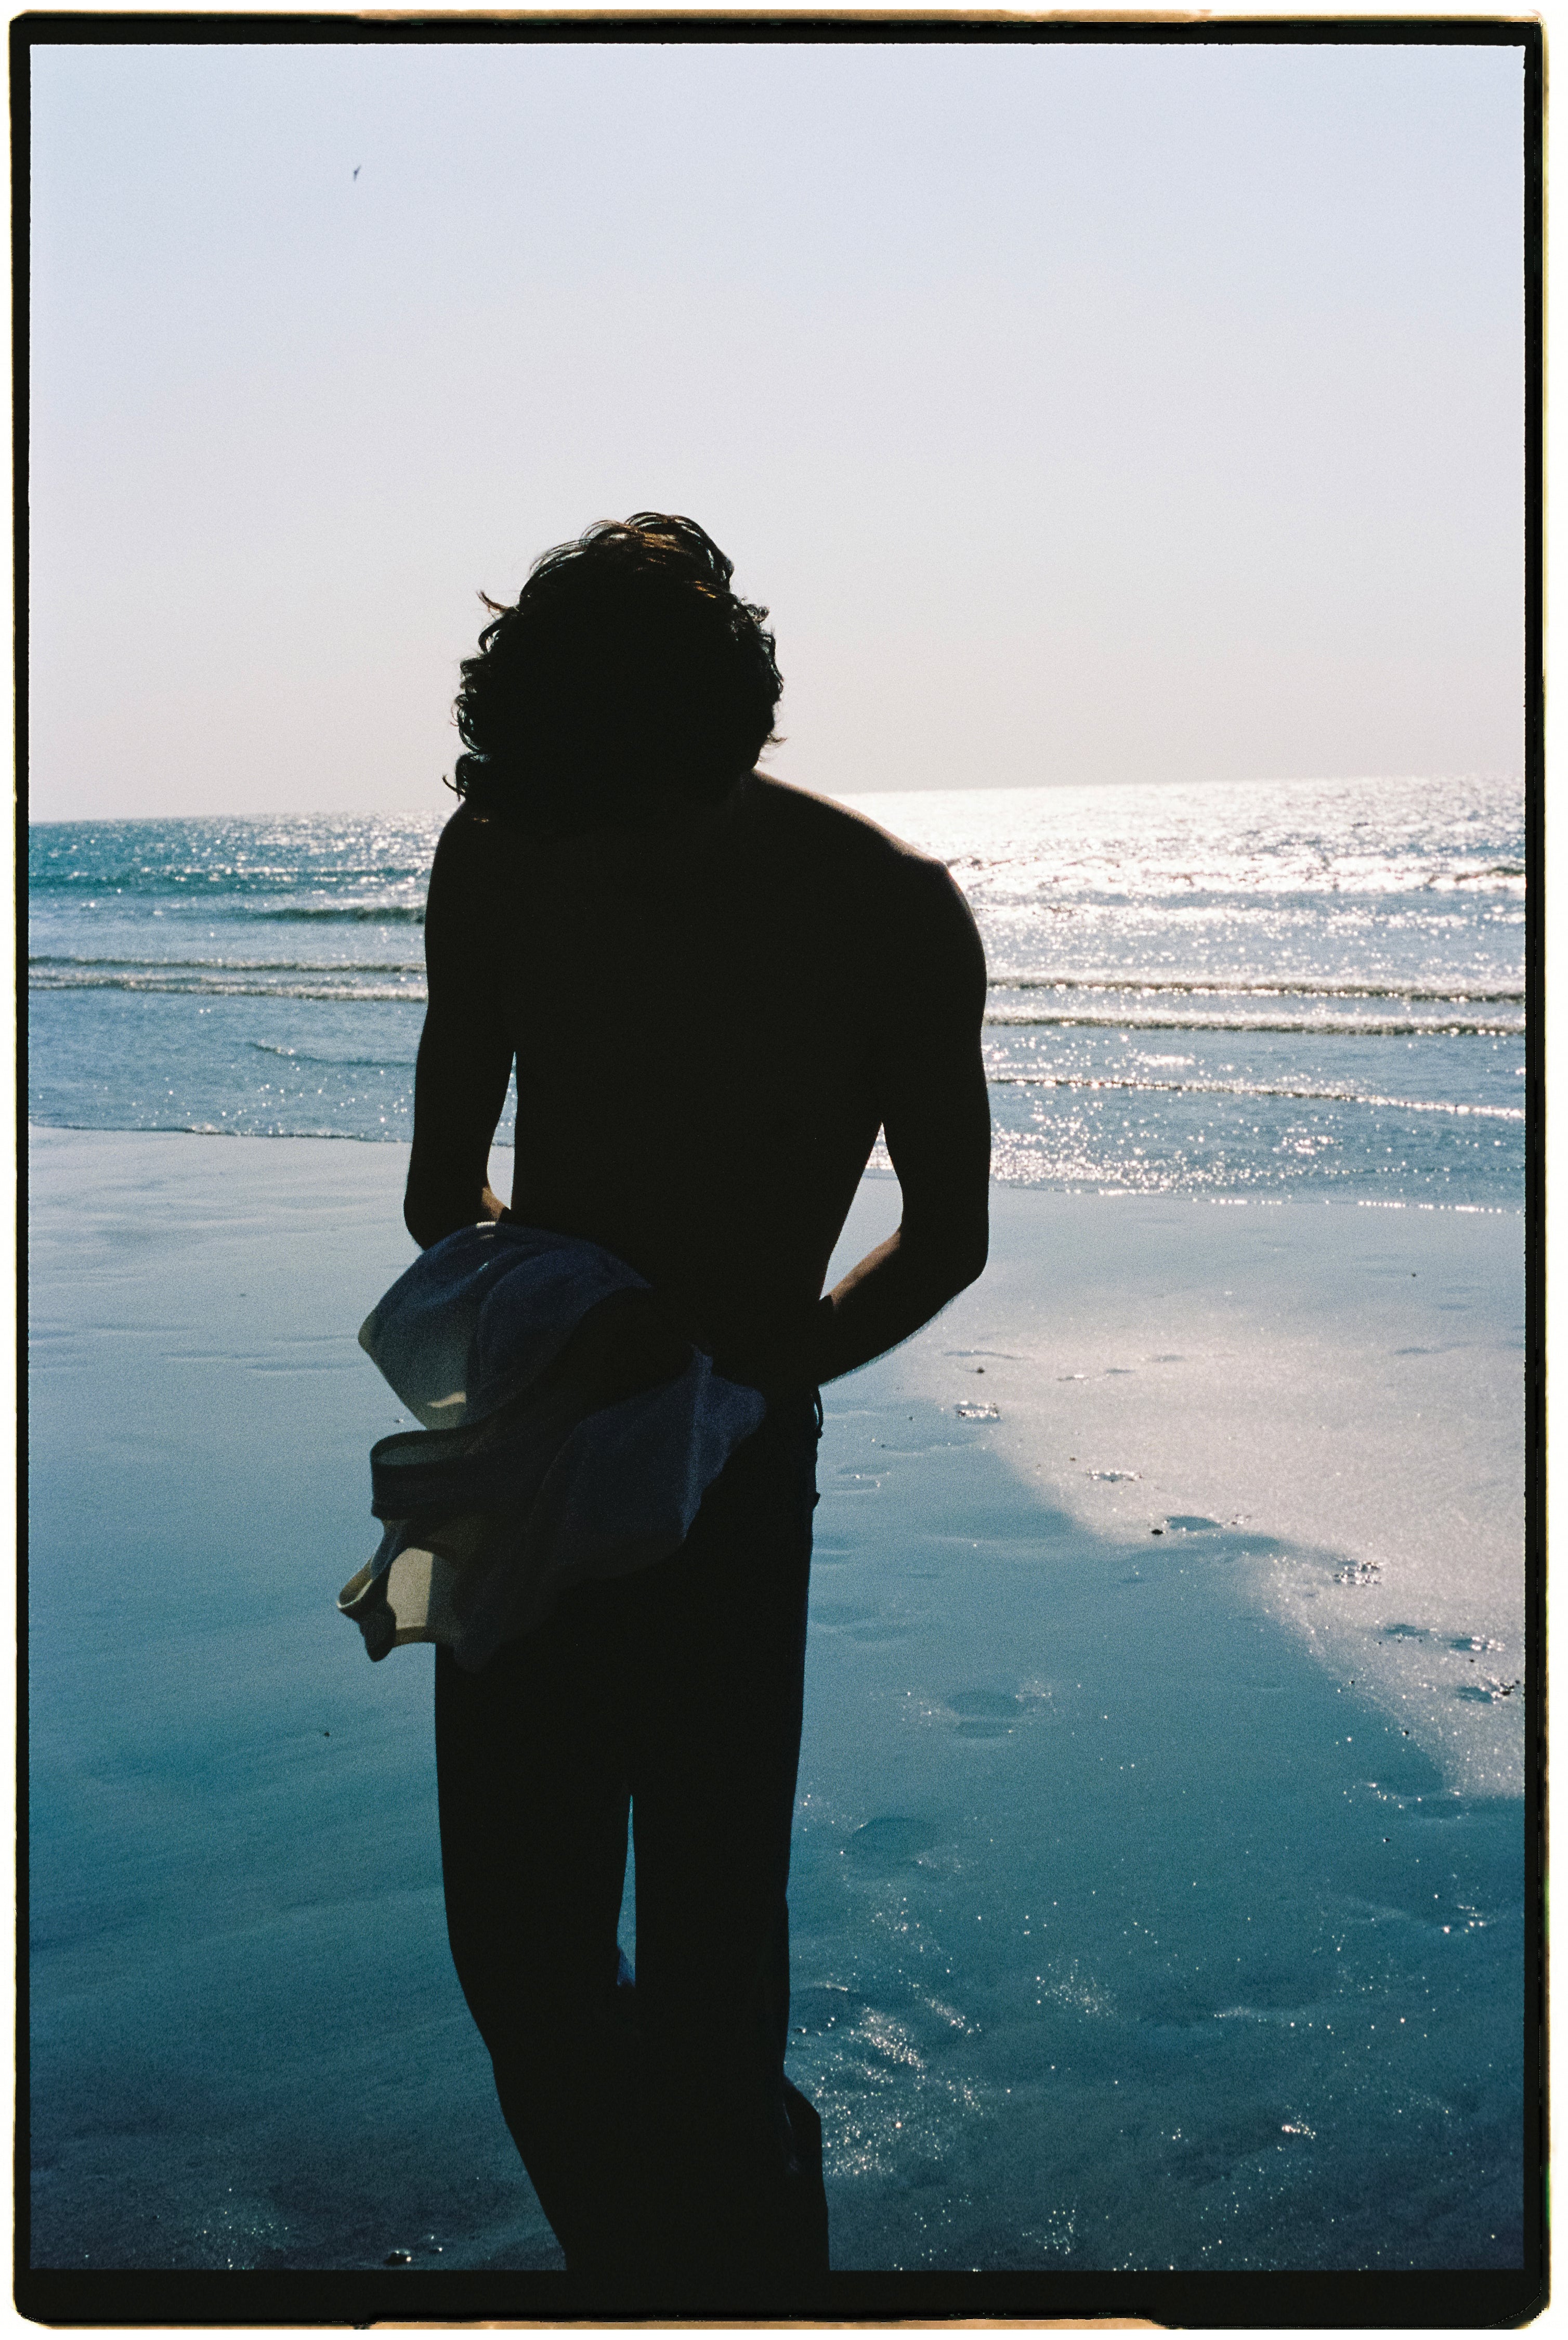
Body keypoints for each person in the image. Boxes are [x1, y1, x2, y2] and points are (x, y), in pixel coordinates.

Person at [404, 514, 990, 2306]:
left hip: (742, 1472)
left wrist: (743, 1380)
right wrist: (577, 1324)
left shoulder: (888, 911)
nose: (612, 854)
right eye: (568, 804)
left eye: (634, 806)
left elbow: (949, 1241)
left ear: (724, 743)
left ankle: (730, 2280)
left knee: (716, 1969)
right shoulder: (501, 852)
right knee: (515, 1948)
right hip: (515, 1451)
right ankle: (669, 2268)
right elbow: (443, 1183)